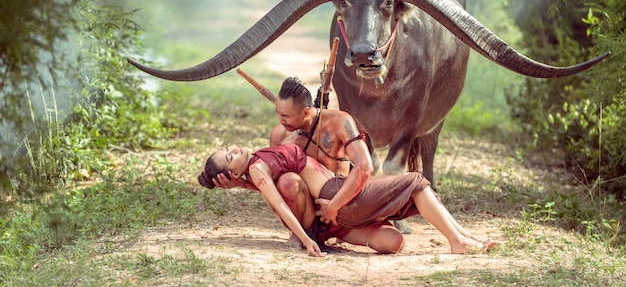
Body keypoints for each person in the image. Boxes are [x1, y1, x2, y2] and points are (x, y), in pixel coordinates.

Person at [198, 143, 495, 257]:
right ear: (234, 171)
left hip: (339, 197)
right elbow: (279, 205)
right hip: (338, 198)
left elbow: (266, 188)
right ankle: (459, 241)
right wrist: (306, 239)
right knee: (416, 181)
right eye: (229, 156)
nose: (235, 149)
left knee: (395, 240)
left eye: (229, 148)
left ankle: (464, 237)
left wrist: (238, 183)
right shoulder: (257, 169)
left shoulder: (255, 167)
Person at [213, 77, 403, 253]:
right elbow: (276, 188)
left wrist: (335, 207)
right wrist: (242, 183)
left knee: (394, 242)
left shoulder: (339, 121)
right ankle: (302, 234)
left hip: (341, 208)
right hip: (309, 218)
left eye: (286, 115)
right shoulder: (280, 135)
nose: (281, 121)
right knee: (288, 180)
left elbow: (365, 167)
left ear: (305, 111)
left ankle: (343, 231)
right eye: (278, 114)